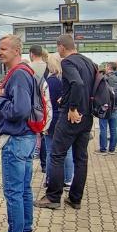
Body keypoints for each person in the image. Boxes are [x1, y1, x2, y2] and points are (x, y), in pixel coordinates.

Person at [35, 34, 95, 211]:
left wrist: (72, 107)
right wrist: (67, 97)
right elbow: (87, 86)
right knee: (81, 158)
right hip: (87, 117)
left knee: (57, 155)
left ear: (61, 47)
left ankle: (53, 197)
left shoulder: (68, 62)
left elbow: (77, 83)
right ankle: (75, 199)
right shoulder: (89, 62)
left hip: (70, 118)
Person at [0, 35, 36, 232]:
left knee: (14, 192)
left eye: (3, 49)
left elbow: (20, 111)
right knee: (24, 189)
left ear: (17, 51)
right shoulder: (24, 72)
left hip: (16, 140)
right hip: (26, 138)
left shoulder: (18, 75)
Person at [43, 53, 73, 188]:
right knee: (67, 150)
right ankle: (68, 179)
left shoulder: (49, 81)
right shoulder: (66, 80)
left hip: (52, 119)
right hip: (65, 118)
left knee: (51, 151)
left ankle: (50, 179)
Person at [29, 45, 49, 171]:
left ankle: (32, 155)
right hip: (47, 104)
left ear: (31, 54)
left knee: (34, 134)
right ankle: (45, 165)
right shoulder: (49, 68)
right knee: (44, 136)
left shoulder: (28, 68)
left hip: (33, 106)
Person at [99, 62, 117, 155]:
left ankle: (103, 149)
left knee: (103, 128)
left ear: (108, 68)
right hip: (115, 106)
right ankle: (112, 149)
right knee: (114, 129)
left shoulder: (103, 79)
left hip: (104, 107)